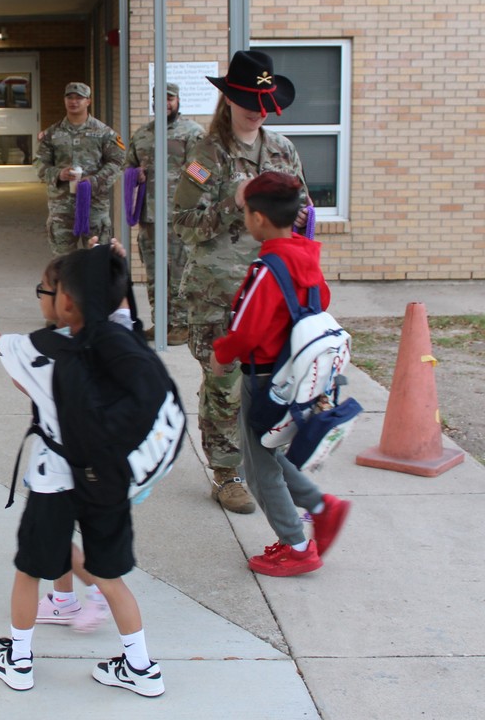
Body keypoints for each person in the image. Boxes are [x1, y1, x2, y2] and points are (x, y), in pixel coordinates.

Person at [0, 249, 164, 698]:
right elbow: (123, 306)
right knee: (109, 576)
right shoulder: (122, 337)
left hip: (53, 481)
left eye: (43, 292)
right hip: (107, 479)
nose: (41, 300)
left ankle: (19, 659)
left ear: (66, 301)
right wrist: (116, 268)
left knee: (30, 570)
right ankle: (141, 667)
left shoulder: (40, 350)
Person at [173, 49, 308, 515]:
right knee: (224, 382)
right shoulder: (205, 155)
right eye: (247, 97)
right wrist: (231, 202)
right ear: (229, 98)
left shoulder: (282, 151)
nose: (255, 107)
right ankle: (227, 472)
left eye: (263, 98)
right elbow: (184, 225)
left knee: (273, 383)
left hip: (272, 291)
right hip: (218, 293)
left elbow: (304, 211)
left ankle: (271, 464)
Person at [210, 172, 351, 576]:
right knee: (267, 451)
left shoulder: (266, 267)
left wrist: (222, 355)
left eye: (246, 214)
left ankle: (297, 545)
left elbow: (247, 327)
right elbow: (321, 299)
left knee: (256, 466)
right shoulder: (304, 256)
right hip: (294, 373)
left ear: (258, 219)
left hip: (265, 377)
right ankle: (322, 506)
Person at [124, 82, 204, 345]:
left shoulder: (192, 132)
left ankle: (181, 324)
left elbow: (205, 171)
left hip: (180, 215)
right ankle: (162, 322)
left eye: (170, 99)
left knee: (180, 271)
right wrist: (136, 175)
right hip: (150, 216)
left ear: (178, 101)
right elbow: (129, 167)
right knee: (154, 272)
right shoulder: (143, 134)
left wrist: (187, 181)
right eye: (160, 99)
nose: (165, 103)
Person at [35, 82, 125, 254]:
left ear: (88, 101)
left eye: (79, 98)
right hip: (62, 209)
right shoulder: (52, 133)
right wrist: (58, 174)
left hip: (94, 208)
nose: (74, 101)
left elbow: (118, 161)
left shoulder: (103, 132)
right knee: (63, 265)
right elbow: (39, 163)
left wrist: (95, 181)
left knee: (98, 260)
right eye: (70, 97)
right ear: (64, 100)